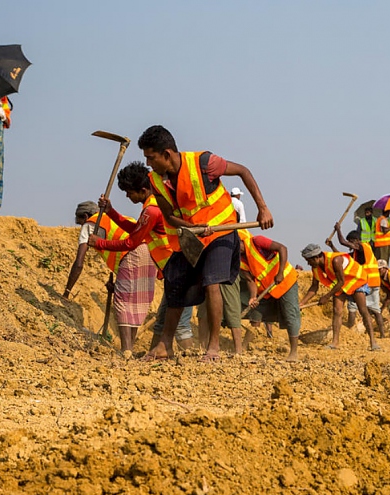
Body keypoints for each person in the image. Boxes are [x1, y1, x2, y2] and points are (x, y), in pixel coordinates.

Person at [138, 125, 273, 362]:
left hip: (221, 231)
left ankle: (213, 348)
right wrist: (192, 228)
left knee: (212, 283)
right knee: (175, 283)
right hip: (192, 236)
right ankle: (164, 346)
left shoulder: (204, 163)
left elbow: (243, 171)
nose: (149, 163)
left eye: (151, 157)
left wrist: (263, 208)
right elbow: (169, 216)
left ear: (167, 154)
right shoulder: (156, 180)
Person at [88, 162, 174, 357]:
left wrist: (100, 243)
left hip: (169, 262)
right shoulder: (153, 204)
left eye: (129, 192)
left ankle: (128, 350)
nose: (128, 196)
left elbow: (131, 242)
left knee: (125, 301)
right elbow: (136, 230)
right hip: (163, 262)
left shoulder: (151, 210)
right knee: (146, 305)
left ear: (142, 190)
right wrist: (111, 211)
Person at [300, 244, 379, 351]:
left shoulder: (335, 260)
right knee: (337, 311)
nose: (308, 263)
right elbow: (314, 287)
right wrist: (302, 303)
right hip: (340, 285)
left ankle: (373, 342)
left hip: (355, 281)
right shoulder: (316, 267)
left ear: (316, 258)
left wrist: (326, 296)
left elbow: (341, 281)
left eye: (309, 260)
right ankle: (335, 343)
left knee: (363, 310)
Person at [237, 229, 300, 361]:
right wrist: (253, 296)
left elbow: (282, 248)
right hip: (266, 289)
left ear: (240, 242)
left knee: (290, 314)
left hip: (285, 281)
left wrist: (280, 272)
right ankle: (242, 347)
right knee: (255, 315)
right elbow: (250, 281)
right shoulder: (240, 260)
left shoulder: (257, 241)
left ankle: (294, 352)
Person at [63, 200, 130, 300]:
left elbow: (79, 264)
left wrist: (66, 293)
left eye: (80, 223)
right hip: (148, 252)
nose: (81, 226)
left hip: (129, 259)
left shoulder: (89, 225)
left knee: (123, 306)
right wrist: (117, 286)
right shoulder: (112, 218)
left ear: (86, 216)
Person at [330, 225, 385, 338]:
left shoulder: (363, 246)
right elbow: (341, 257)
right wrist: (331, 246)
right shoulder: (356, 254)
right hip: (371, 282)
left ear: (356, 241)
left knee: (354, 307)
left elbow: (343, 242)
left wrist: (338, 229)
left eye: (351, 242)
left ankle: (353, 328)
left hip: (366, 283)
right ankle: (380, 334)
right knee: (375, 309)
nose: (350, 245)